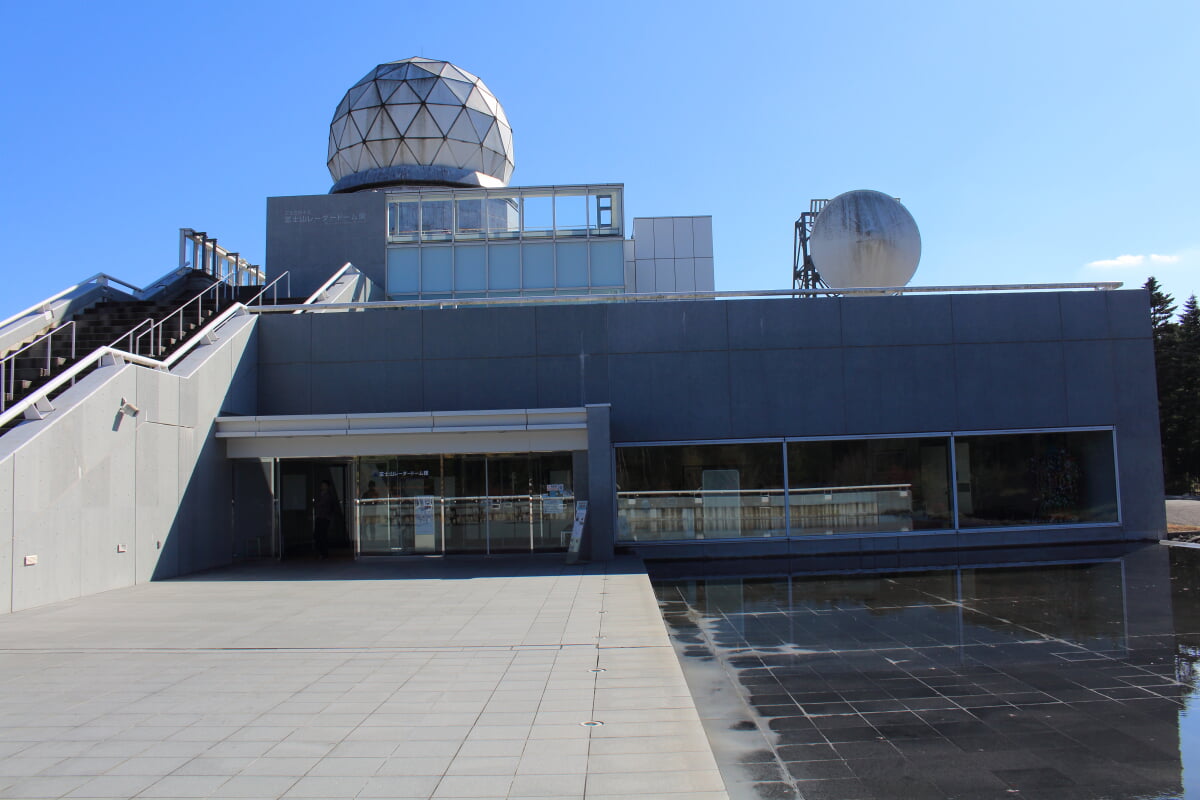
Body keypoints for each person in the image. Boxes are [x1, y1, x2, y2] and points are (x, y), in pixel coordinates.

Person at [313, 480, 340, 559]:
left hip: (325, 517)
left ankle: (323, 553)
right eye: (322, 485)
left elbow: (326, 505)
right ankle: (320, 551)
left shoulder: (329, 496)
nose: (322, 487)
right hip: (319, 516)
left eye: (324, 485)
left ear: (327, 487)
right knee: (317, 534)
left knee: (322, 535)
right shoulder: (320, 495)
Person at [360, 480, 381, 544]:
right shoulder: (374, 494)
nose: (372, 487)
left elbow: (362, 502)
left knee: (366, 527)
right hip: (371, 512)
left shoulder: (368, 493)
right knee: (369, 527)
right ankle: (371, 540)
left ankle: (369, 540)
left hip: (368, 512)